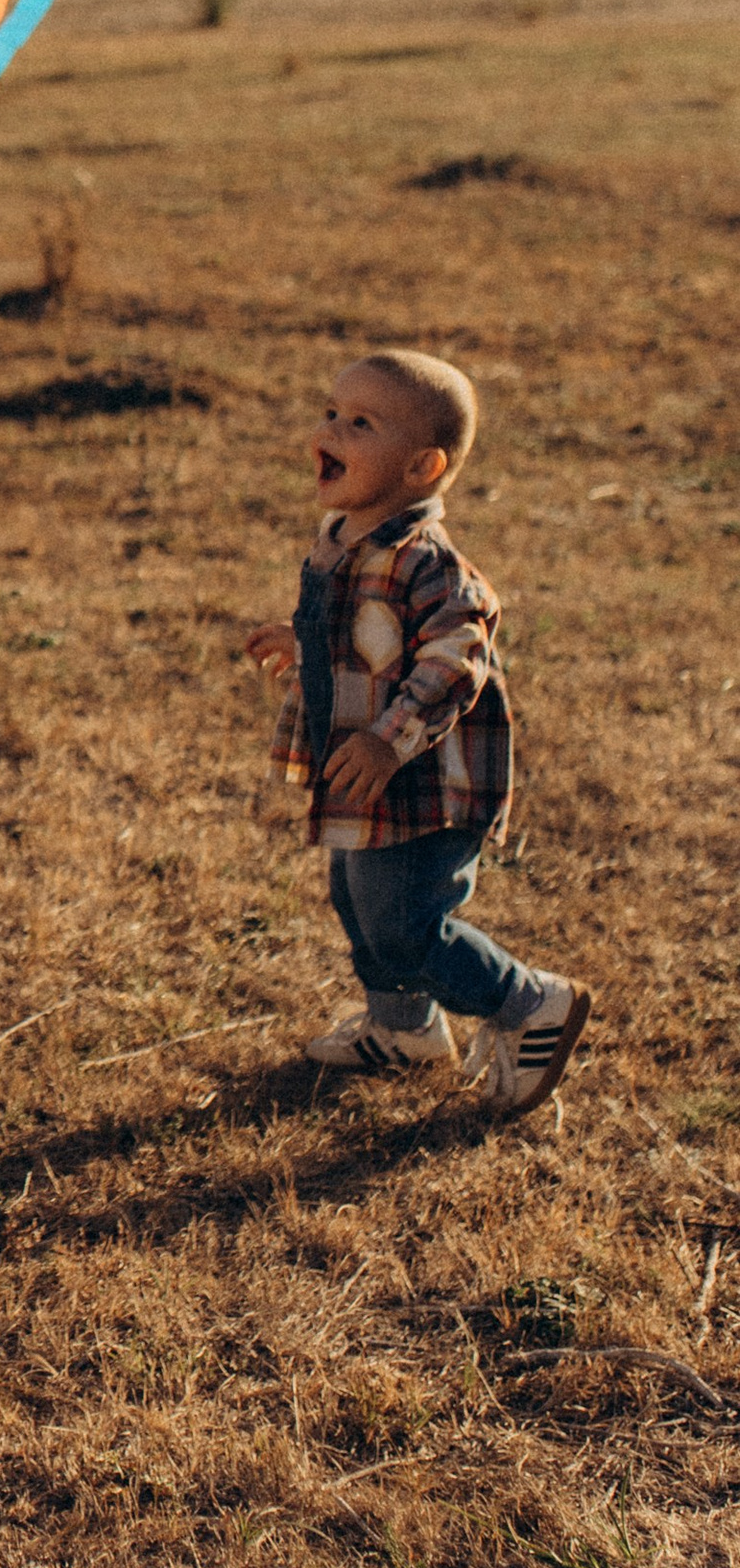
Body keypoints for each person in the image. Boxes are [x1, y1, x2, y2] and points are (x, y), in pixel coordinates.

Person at [242, 349, 590, 1121]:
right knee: (356, 898)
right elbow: (365, 639)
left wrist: (387, 741)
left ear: (422, 466)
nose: (329, 430)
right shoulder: (343, 538)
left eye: (360, 423)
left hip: (426, 780)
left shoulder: (432, 567)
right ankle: (406, 1031)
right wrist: (305, 647)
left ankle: (530, 1002)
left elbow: (451, 665)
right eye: (331, 412)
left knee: (404, 920)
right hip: (372, 777)